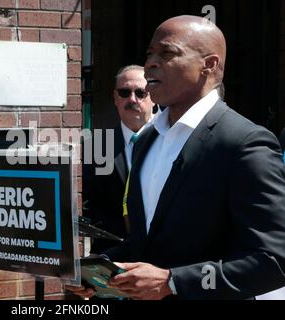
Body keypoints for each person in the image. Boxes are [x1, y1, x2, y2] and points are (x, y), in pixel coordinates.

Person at [69, 15, 285, 300]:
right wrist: (96, 270)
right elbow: (144, 243)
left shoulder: (244, 143)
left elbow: (273, 260)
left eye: (167, 53)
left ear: (210, 64)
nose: (150, 64)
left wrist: (173, 282)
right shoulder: (146, 140)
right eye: (149, 54)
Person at [82, 65, 156, 254]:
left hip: (161, 256)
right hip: (113, 255)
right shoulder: (96, 146)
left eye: (141, 92)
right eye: (124, 92)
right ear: (115, 98)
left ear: (154, 97)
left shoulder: (170, 140)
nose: (132, 99)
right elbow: (88, 204)